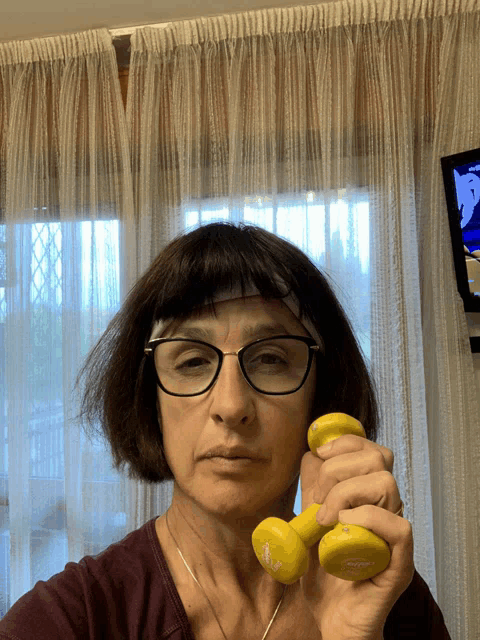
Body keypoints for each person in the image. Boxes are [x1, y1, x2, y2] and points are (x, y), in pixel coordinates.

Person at [0, 222, 451, 639]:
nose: (232, 406)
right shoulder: (66, 621)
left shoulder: (390, 599)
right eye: (192, 361)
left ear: (322, 396)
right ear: (149, 398)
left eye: (271, 358)